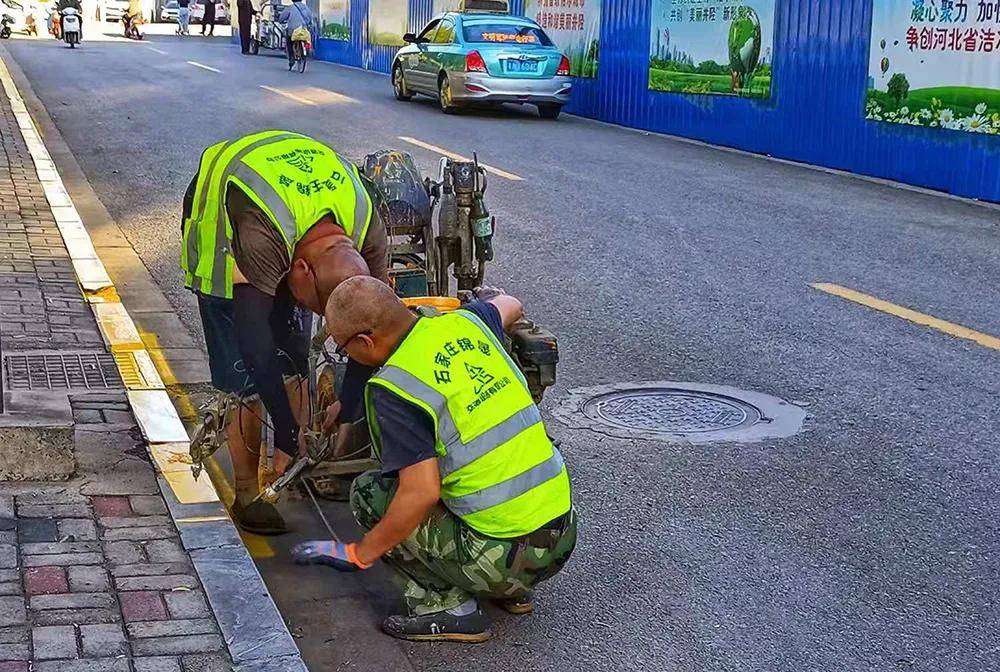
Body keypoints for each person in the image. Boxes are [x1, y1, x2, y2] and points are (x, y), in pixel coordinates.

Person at [292, 277, 577, 643]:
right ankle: (513, 590)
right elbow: (511, 305)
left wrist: (360, 552)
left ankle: (449, 607)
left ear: (365, 341)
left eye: (345, 349)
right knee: (463, 464)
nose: (348, 357)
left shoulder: (396, 390)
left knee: (371, 494)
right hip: (562, 538)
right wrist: (491, 297)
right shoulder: (467, 322)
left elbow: (421, 492)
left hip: (501, 560)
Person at [180, 131, 389, 534]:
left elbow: (376, 330)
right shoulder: (261, 232)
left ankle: (289, 462)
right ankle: (246, 495)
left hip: (289, 216)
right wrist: (288, 430)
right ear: (301, 271)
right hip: (228, 221)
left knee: (293, 355)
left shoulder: (368, 228)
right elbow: (255, 346)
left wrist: (347, 404)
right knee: (243, 377)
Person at [278, 0, 313, 66]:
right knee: (307, 38)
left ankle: (291, 58)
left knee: (289, 41)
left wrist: (280, 21)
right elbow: (311, 19)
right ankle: (307, 51)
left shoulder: (290, 8)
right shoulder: (306, 8)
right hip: (304, 30)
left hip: (293, 30)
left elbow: (282, 18)